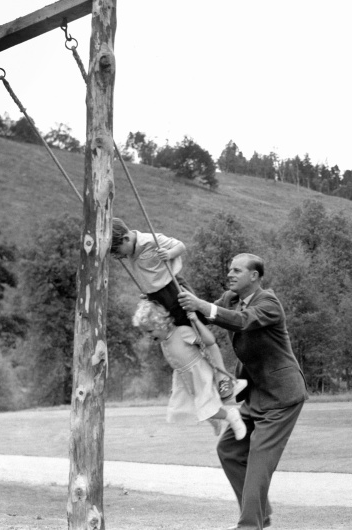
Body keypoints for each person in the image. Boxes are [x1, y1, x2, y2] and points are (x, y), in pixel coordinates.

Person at [179, 253, 308, 530]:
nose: (230, 274)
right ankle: (261, 513)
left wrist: (201, 305)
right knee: (229, 450)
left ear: (255, 276)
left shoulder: (268, 302)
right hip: (255, 394)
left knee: (259, 461)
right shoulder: (231, 298)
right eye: (229, 270)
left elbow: (241, 321)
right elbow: (201, 312)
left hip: (282, 396)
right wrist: (171, 284)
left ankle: (250, 525)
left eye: (237, 270)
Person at [111, 217, 236, 399]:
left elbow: (180, 246)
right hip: (156, 297)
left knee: (200, 335)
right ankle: (190, 380)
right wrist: (148, 291)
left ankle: (222, 377)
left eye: (116, 251)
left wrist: (169, 255)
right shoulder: (128, 250)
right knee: (171, 338)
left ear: (125, 239)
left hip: (174, 290)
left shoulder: (150, 240)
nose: (117, 256)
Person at [132, 299, 247, 438]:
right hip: (186, 378)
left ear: (161, 324)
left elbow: (209, 341)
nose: (149, 336)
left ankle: (231, 416)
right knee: (187, 408)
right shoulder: (164, 342)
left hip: (199, 373)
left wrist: (197, 322)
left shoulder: (182, 332)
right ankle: (214, 419)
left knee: (205, 406)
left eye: (150, 331)